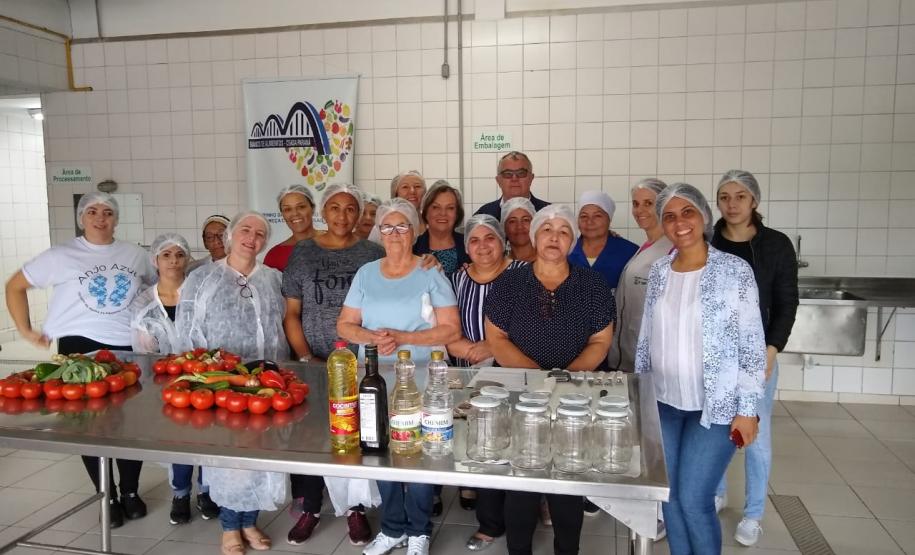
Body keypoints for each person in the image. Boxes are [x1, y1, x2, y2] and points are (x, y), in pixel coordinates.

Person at [5, 191, 157, 528]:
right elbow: (14, 286)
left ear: (116, 219)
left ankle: (130, 491)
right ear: (81, 218)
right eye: (92, 211)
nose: (100, 217)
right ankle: (107, 496)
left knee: (132, 425)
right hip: (78, 347)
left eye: (107, 212)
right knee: (89, 425)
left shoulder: (135, 254)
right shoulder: (62, 254)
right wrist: (26, 330)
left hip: (126, 345)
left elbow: (157, 288)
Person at [635, 183, 766, 555]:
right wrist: (641, 397)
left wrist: (748, 409)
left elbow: (752, 344)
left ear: (704, 216)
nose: (679, 223)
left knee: (694, 499)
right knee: (670, 497)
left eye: (687, 212)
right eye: (670, 216)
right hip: (664, 404)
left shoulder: (734, 271)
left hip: (716, 408)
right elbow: (647, 336)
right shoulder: (659, 271)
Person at [483, 204, 615, 555]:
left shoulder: (592, 284)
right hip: (521, 394)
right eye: (547, 230)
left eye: (563, 231)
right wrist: (538, 379)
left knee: (568, 479)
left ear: (572, 240)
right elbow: (496, 337)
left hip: (573, 396)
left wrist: (565, 380)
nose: (554, 238)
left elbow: (600, 340)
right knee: (522, 481)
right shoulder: (511, 282)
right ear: (534, 236)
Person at [337, 198, 461, 555]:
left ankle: (419, 530)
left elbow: (451, 330)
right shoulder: (366, 273)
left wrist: (403, 337)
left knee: (417, 454)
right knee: (379, 449)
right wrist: (372, 337)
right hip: (374, 378)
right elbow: (345, 324)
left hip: (422, 379)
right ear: (379, 231)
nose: (394, 233)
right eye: (387, 227)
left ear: (414, 231)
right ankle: (392, 528)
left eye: (401, 226)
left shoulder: (430, 271)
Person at [176, 211, 288, 555]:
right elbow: (187, 329)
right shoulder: (203, 278)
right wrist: (199, 376)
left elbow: (280, 325)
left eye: (260, 233)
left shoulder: (273, 278)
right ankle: (229, 527)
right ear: (230, 235)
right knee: (228, 459)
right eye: (245, 230)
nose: (252, 238)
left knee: (260, 455)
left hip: (266, 381)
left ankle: (249, 521)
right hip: (221, 381)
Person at [282, 183, 383, 546]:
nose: (343, 215)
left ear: (360, 213)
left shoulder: (372, 252)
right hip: (314, 362)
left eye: (351, 208)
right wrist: (305, 358)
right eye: (335, 208)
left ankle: (355, 508)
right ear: (323, 212)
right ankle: (311, 508)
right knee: (312, 437)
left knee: (354, 437)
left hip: (360, 365)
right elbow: (292, 313)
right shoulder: (303, 252)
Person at [712, 170, 798, 546]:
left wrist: (771, 349)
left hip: (757, 353)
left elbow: (786, 302)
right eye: (725, 197)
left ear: (754, 201)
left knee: (755, 435)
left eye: (740, 196)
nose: (732, 204)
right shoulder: (709, 241)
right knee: (714, 427)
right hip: (714, 354)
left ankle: (753, 513)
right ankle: (716, 493)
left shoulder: (775, 245)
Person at [129, 233, 221, 525]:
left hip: (203, 378)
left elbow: (213, 334)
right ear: (155, 260)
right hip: (164, 382)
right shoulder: (143, 301)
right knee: (177, 440)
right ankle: (180, 494)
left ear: (187, 259)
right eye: (166, 255)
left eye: (179, 255)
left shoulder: (200, 294)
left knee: (206, 437)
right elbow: (142, 349)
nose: (173, 261)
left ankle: (206, 491)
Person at [448, 214, 526, 551]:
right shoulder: (457, 278)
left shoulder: (523, 273)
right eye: (474, 240)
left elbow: (534, 325)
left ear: (502, 241)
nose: (482, 246)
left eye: (489, 238)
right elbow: (446, 324)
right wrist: (469, 350)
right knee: (482, 446)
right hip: (469, 373)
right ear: (466, 248)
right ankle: (490, 523)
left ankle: (522, 517)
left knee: (518, 443)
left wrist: (492, 348)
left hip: (515, 370)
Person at [608, 178, 672, 372]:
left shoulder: (672, 249)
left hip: (653, 355)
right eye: (636, 204)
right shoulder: (644, 247)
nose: (639, 210)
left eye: (648, 203)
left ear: (663, 205)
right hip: (628, 349)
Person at [568, 191, 638, 293]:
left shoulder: (630, 252)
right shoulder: (566, 251)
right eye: (584, 216)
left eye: (597, 216)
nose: (589, 222)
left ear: (609, 219)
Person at [413, 180, 469, 276]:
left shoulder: (470, 245)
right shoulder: (413, 248)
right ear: (425, 212)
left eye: (450, 208)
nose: (443, 213)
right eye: (436, 207)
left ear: (457, 214)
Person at [474, 151, 549, 219]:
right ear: (498, 180)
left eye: (521, 173)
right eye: (507, 174)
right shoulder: (483, 215)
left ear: (531, 178)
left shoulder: (549, 213)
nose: (514, 179)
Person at [264, 185, 317, 271]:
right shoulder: (274, 256)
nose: (295, 213)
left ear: (313, 208)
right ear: (282, 214)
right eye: (288, 209)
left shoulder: (336, 242)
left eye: (301, 207)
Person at [501, 197, 537, 263]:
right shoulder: (500, 265)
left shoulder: (548, 260)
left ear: (535, 224)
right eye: (512, 221)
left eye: (526, 220)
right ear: (504, 227)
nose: (519, 226)